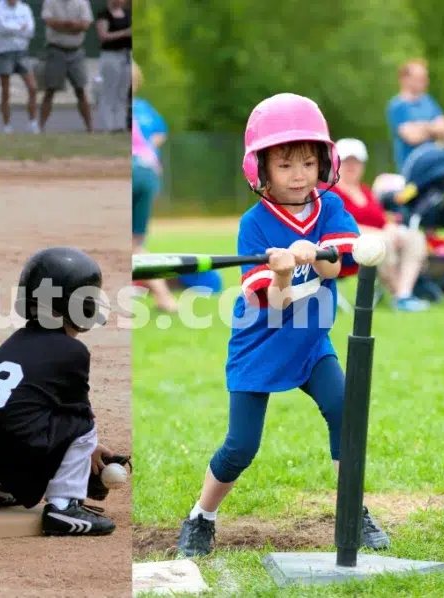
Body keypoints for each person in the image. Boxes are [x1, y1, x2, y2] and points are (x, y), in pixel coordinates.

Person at [175, 93, 391, 557]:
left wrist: (315, 252)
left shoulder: (329, 208)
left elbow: (337, 268)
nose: (299, 176)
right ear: (262, 172)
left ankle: (353, 510)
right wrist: (282, 268)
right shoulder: (254, 226)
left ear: (323, 165)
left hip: (312, 343)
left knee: (345, 411)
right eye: (286, 165)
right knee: (241, 446)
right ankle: (201, 517)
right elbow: (274, 302)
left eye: (309, 163)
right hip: (260, 344)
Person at [0, 247, 117, 536]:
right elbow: (79, 415)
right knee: (81, 425)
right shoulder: (73, 350)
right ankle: (64, 507)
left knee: (25, 418)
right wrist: (85, 449)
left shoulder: (19, 338)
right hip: (10, 431)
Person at [330, 138, 430, 312]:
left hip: (378, 235)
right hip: (348, 245)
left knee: (414, 237)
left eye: (356, 162)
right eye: (347, 162)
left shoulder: (366, 191)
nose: (352, 166)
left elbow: (382, 220)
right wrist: (381, 233)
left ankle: (405, 292)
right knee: (381, 241)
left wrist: (391, 229)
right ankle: (399, 295)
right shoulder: (330, 192)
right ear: (336, 163)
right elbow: (337, 225)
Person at [131, 63, 177, 312]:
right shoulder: (144, 108)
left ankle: (163, 296)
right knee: (135, 241)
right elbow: (159, 135)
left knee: (130, 244)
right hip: (148, 171)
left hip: (131, 170)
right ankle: (145, 290)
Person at [38, 0, 95, 133]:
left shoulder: (82, 2)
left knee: (80, 89)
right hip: (56, 50)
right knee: (50, 90)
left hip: (76, 50)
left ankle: (89, 127)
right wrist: (72, 26)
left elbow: (86, 25)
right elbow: (49, 22)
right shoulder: (50, 2)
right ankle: (40, 127)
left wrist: (64, 27)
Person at [387, 58, 444, 173]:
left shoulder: (429, 101)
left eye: (425, 78)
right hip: (411, 169)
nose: (425, 81)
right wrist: (432, 128)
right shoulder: (398, 105)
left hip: (434, 166)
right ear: (405, 79)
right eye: (420, 78)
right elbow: (412, 137)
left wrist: (421, 127)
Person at [0, 0, 40, 134]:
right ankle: (7, 125)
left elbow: (30, 30)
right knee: (6, 91)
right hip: (5, 51)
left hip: (22, 51)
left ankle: (32, 122)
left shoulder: (25, 8)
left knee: (33, 87)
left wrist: (13, 30)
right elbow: (1, 28)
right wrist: (19, 29)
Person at [93, 0, 131, 132]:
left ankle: (120, 125)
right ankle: (107, 126)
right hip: (111, 56)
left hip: (126, 55)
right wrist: (124, 33)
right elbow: (103, 35)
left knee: (122, 92)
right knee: (109, 91)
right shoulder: (103, 15)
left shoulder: (128, 13)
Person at [130, 64, 168, 155]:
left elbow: (161, 132)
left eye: (133, 81)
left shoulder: (144, 107)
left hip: (144, 161)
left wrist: (148, 147)